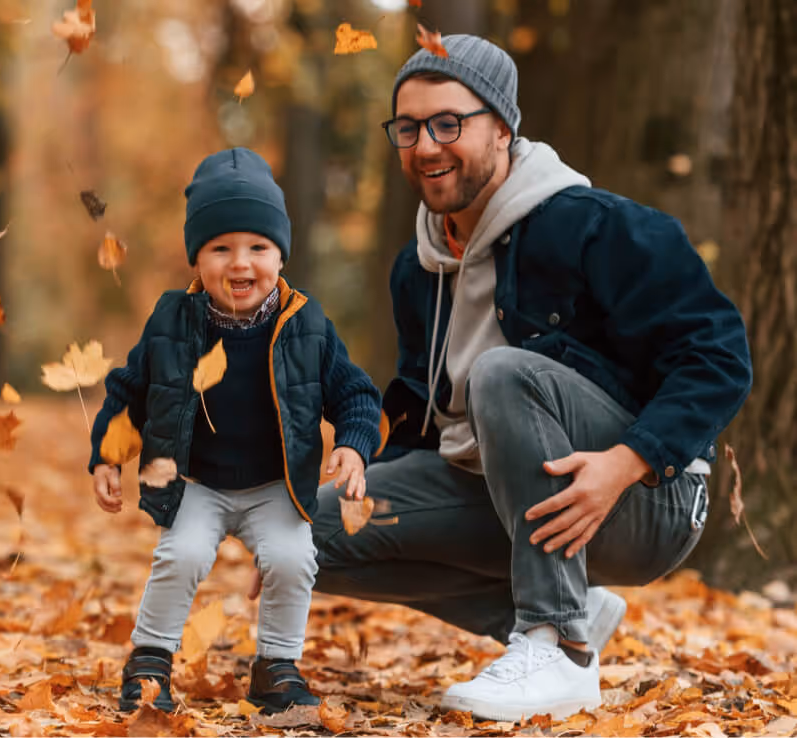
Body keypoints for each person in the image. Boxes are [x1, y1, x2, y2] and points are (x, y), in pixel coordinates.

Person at [306, 34, 753, 722]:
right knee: (303, 533)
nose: (426, 145)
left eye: (449, 123)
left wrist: (627, 462)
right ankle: (576, 615)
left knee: (503, 373)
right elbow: (424, 411)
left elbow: (720, 354)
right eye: (408, 127)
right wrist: (354, 482)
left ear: (504, 128)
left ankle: (555, 645)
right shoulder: (417, 269)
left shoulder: (595, 227)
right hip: (502, 495)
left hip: (644, 499)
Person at [89, 147, 382, 715]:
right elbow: (128, 389)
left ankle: (276, 667)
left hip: (276, 484)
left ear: (280, 254)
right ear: (196, 259)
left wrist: (353, 445)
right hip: (197, 479)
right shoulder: (173, 320)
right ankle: (150, 660)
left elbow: (355, 394)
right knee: (182, 554)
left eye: (258, 248)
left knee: (294, 558)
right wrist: (106, 455)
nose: (240, 263)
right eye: (220, 248)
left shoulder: (306, 324)